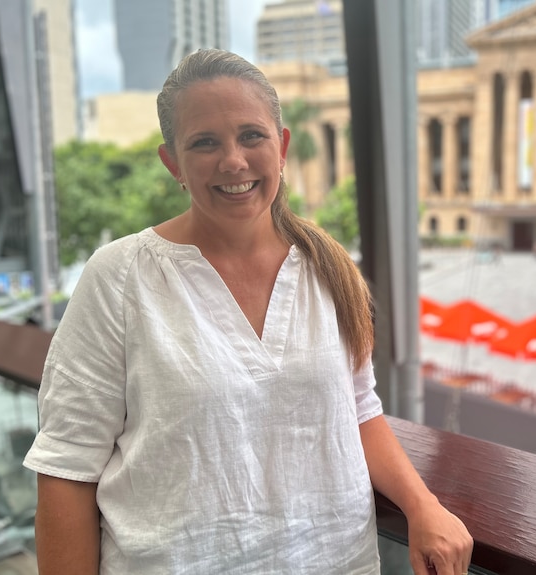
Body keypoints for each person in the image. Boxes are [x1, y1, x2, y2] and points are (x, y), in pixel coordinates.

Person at [23, 49, 472, 574]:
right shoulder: (121, 277)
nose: (233, 160)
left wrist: (422, 505)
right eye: (205, 142)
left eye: (251, 136)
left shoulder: (330, 269)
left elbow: (358, 410)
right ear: (173, 164)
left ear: (281, 147)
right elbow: (66, 468)